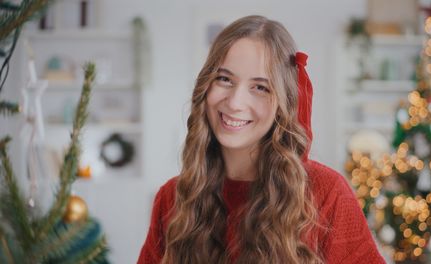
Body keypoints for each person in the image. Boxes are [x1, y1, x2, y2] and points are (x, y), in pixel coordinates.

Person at [138, 15, 385, 264]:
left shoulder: (325, 193)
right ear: (206, 86)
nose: (235, 102)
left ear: (283, 103)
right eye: (224, 79)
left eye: (260, 87)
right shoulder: (173, 198)